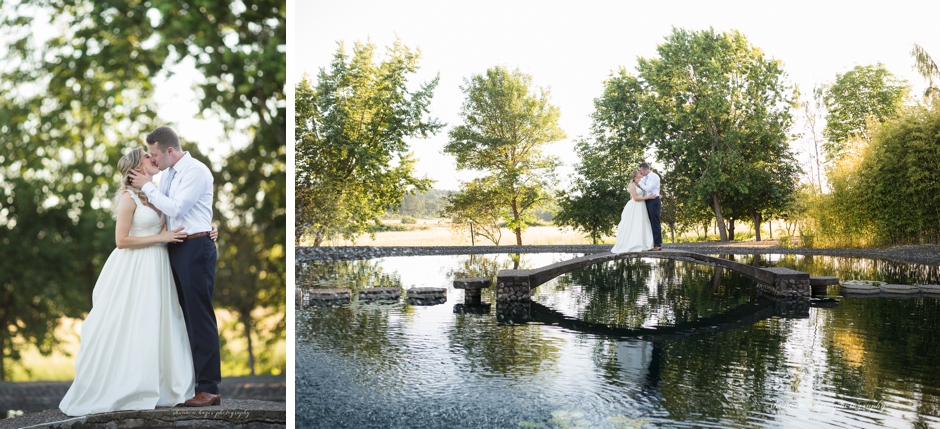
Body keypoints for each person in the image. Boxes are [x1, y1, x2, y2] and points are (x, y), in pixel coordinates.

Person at [59, 148, 195, 416]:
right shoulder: (127, 198)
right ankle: (129, 386)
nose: (153, 159)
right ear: (136, 168)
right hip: (134, 268)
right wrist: (161, 238)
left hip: (158, 267)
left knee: (161, 322)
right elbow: (121, 241)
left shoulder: (159, 195)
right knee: (135, 322)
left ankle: (163, 386)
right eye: (147, 156)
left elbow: (179, 217)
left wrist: (207, 228)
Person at [130, 126, 221, 407]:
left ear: (170, 150)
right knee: (180, 320)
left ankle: (209, 387)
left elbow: (177, 208)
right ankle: (187, 384)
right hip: (175, 248)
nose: (153, 160)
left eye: (155, 154)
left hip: (195, 248)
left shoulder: (196, 170)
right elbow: (165, 213)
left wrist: (145, 187)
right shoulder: (167, 174)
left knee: (199, 317)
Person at [611, 169, 658, 253]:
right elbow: (635, 198)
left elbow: (648, 191)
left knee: (642, 224)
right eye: (639, 172)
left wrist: (657, 195)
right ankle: (632, 243)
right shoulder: (632, 185)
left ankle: (644, 243)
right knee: (633, 224)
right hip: (635, 206)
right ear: (635, 175)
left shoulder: (640, 184)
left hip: (641, 206)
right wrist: (648, 198)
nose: (641, 173)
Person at [639, 162, 663, 251]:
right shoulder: (645, 178)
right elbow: (641, 187)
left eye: (641, 170)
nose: (640, 172)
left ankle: (658, 244)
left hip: (654, 200)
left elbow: (649, 189)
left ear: (646, 169)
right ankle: (651, 244)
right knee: (648, 223)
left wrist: (640, 184)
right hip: (647, 200)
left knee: (654, 222)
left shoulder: (654, 177)